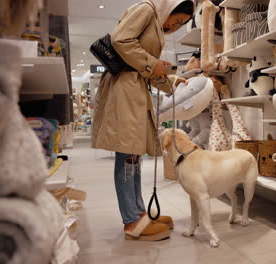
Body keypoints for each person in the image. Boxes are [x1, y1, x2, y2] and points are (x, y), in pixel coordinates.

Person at [92, 0, 195, 241]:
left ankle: (138, 213)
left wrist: (169, 79)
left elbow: (142, 66)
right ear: (169, 8)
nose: (175, 26)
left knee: (133, 155)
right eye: (177, 20)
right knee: (128, 154)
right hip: (124, 91)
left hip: (133, 90)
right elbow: (121, 40)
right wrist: (154, 65)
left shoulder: (153, 23)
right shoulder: (146, 9)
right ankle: (131, 221)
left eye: (181, 25)